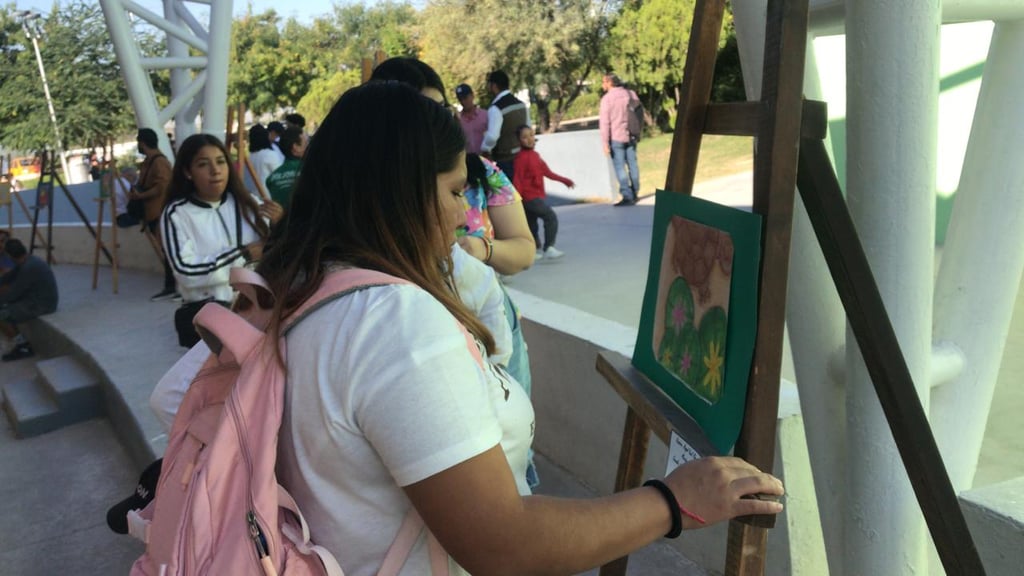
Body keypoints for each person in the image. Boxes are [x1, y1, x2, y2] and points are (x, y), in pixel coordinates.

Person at [255, 81, 783, 575]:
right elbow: (501, 540)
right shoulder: (392, 322)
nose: (464, 214)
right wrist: (673, 500)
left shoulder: (299, 288)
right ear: (405, 193)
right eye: (456, 191)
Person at [161, 134, 282, 347]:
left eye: (220, 161)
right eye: (203, 164)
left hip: (259, 318)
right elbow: (186, 272)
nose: (215, 170)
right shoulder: (176, 214)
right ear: (188, 172)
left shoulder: (249, 204)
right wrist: (242, 255)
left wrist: (280, 226)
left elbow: (275, 255)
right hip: (212, 324)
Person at [513, 125, 575, 261]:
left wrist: (565, 181)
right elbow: (518, 179)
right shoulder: (521, 159)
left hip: (534, 195)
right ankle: (549, 248)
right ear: (519, 141)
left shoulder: (535, 156)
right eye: (524, 137)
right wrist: (516, 200)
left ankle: (531, 251)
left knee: (530, 224)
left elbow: (547, 173)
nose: (529, 139)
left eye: (531, 135)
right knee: (550, 216)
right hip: (529, 197)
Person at [129, 128, 178, 300]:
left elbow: (163, 186)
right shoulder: (149, 162)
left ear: (143, 143)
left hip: (160, 212)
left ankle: (175, 286)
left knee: (170, 250)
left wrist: (142, 195)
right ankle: (171, 285)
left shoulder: (159, 163)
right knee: (166, 251)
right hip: (152, 213)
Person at [0, 238, 58, 361]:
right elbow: (7, 278)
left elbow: (11, 295)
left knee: (1, 314)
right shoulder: (26, 260)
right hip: (33, 298)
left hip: (42, 304)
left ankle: (23, 347)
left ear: (10, 256)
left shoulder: (29, 268)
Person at [600, 73, 642, 206]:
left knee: (619, 167)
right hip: (631, 135)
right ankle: (635, 191)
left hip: (616, 137)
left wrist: (605, 143)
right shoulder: (631, 94)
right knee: (633, 164)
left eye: (603, 82)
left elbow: (605, 123)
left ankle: (627, 195)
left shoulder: (607, 99)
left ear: (609, 82)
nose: (602, 85)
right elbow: (639, 114)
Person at [481, 70, 530, 181]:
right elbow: (528, 128)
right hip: (523, 157)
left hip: (505, 160)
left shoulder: (496, 108)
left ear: (493, 86)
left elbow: (493, 136)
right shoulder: (521, 105)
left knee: (511, 196)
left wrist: (484, 149)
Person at [264, 125, 308, 206]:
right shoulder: (309, 170)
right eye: (306, 142)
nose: (309, 146)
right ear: (296, 147)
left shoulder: (271, 178)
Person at [248, 123, 284, 196]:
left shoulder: (250, 157)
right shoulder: (270, 154)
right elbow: (280, 176)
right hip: (268, 196)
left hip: (254, 196)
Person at [455, 83, 487, 155]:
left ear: (472, 96)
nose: (463, 102)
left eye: (465, 98)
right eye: (460, 99)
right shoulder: (458, 120)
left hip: (486, 161)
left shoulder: (485, 115)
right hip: (468, 162)